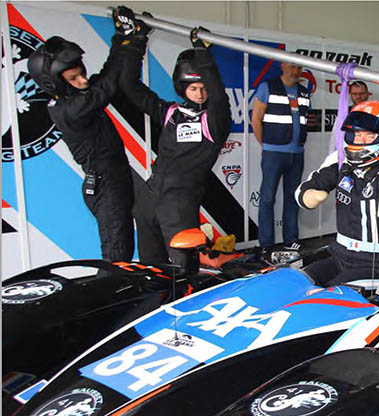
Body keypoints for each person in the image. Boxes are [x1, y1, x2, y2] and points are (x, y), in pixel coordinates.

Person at [26, 8, 143, 262]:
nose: (82, 80)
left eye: (81, 72)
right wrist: (128, 39)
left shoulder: (75, 98)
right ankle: (110, 300)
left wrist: (126, 39)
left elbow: (104, 76)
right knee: (116, 257)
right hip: (107, 184)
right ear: (55, 84)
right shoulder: (71, 110)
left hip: (112, 179)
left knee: (121, 252)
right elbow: (108, 84)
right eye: (73, 78)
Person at [118, 12, 231, 272]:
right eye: (193, 89)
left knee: (184, 270)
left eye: (204, 88)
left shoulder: (214, 122)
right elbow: (128, 84)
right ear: (182, 88)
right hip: (149, 197)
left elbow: (218, 96)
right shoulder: (169, 113)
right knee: (150, 270)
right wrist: (138, 38)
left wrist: (202, 53)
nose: (200, 94)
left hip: (179, 204)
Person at [295, 100, 379, 287]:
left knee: (325, 299)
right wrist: (310, 194)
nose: (361, 140)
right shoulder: (341, 160)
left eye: (369, 135)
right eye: (357, 134)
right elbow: (305, 191)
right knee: (296, 282)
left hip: (378, 264)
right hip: (340, 256)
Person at [251, 61, 311, 252]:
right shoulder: (268, 87)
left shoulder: (303, 92)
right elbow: (256, 120)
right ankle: (266, 244)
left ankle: (290, 240)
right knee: (267, 199)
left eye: (299, 68)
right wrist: (267, 144)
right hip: (274, 153)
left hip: (297, 154)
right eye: (293, 67)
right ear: (283, 66)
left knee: (293, 198)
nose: (296, 71)